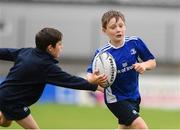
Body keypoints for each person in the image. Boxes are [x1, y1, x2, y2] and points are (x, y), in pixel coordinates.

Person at [0, 27, 107, 129]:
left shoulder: (26, 52)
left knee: (5, 122)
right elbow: (70, 81)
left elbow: (5, 52)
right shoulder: (45, 66)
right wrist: (98, 87)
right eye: (59, 44)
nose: (62, 47)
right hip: (13, 102)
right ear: (50, 48)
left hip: (3, 94)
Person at [87, 10, 156, 129]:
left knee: (124, 128)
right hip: (115, 99)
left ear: (125, 26)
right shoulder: (102, 54)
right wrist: (94, 79)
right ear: (104, 30)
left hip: (133, 96)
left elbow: (152, 62)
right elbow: (89, 75)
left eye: (121, 25)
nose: (118, 29)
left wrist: (144, 65)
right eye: (113, 27)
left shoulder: (135, 42)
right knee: (141, 127)